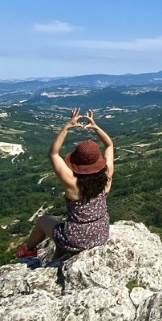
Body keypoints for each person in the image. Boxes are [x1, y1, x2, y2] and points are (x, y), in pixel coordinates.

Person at [16, 108, 114, 258]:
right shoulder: (106, 176)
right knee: (65, 227)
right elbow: (109, 145)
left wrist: (68, 126)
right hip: (101, 234)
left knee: (43, 220)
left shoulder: (72, 182)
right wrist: (95, 127)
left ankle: (27, 250)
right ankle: (58, 252)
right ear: (98, 162)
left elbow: (53, 153)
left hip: (75, 239)